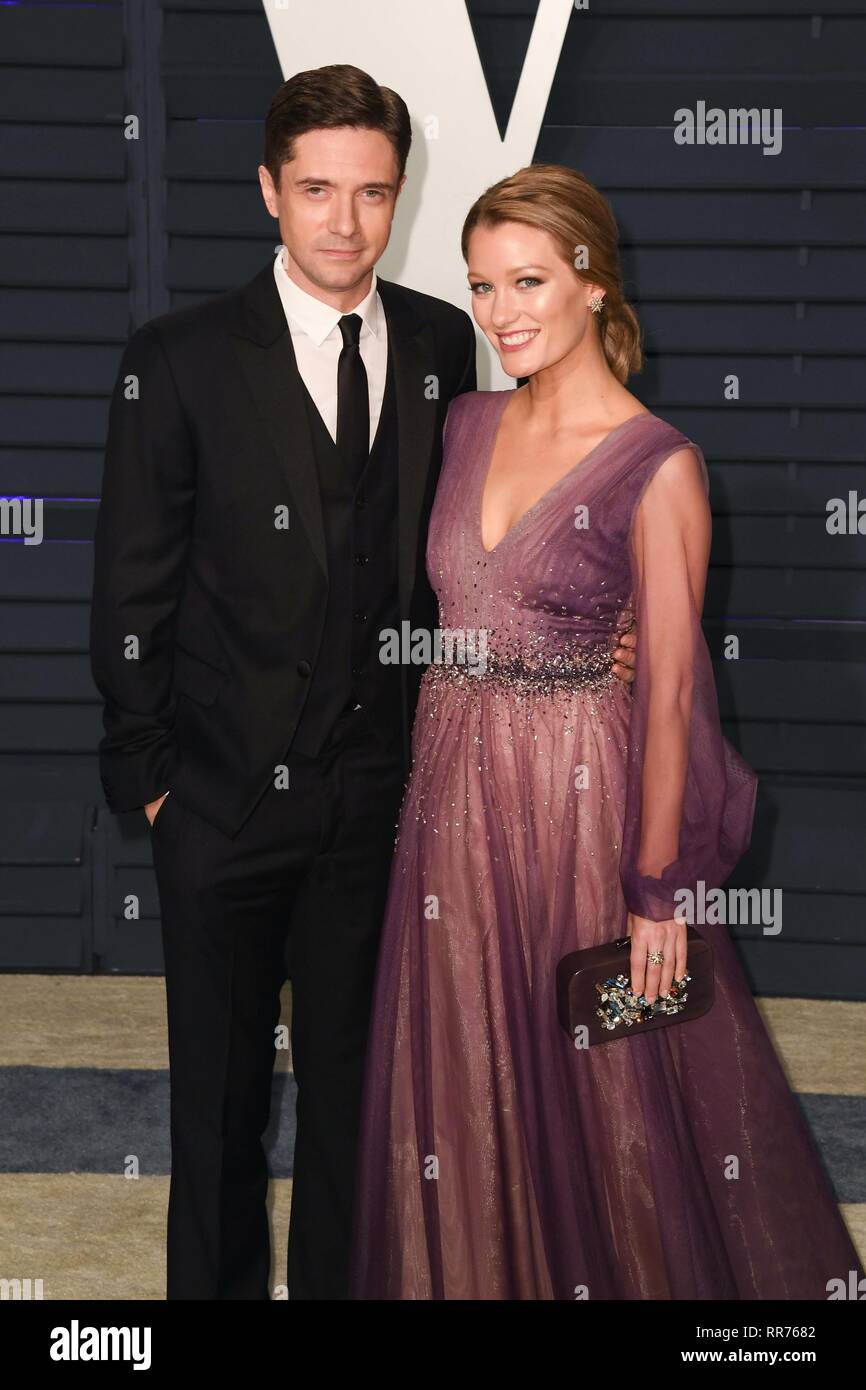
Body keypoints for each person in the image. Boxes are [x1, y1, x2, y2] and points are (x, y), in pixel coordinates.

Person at [89, 63, 639, 1301]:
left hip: (380, 810)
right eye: (319, 189)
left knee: (362, 1116)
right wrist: (158, 789)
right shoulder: (175, 359)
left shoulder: (447, 343)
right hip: (219, 806)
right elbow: (129, 587)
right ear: (269, 194)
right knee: (217, 1121)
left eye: (373, 192)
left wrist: (589, 635)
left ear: (399, 197)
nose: (345, 221)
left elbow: (485, 547)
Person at [349, 163, 864, 1299]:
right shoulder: (467, 423)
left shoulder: (658, 463)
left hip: (579, 819)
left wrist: (655, 887)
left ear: (591, 283)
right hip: (448, 820)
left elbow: (673, 689)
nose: (501, 312)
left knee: (611, 1103)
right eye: (481, 286)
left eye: (527, 279)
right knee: (461, 1088)